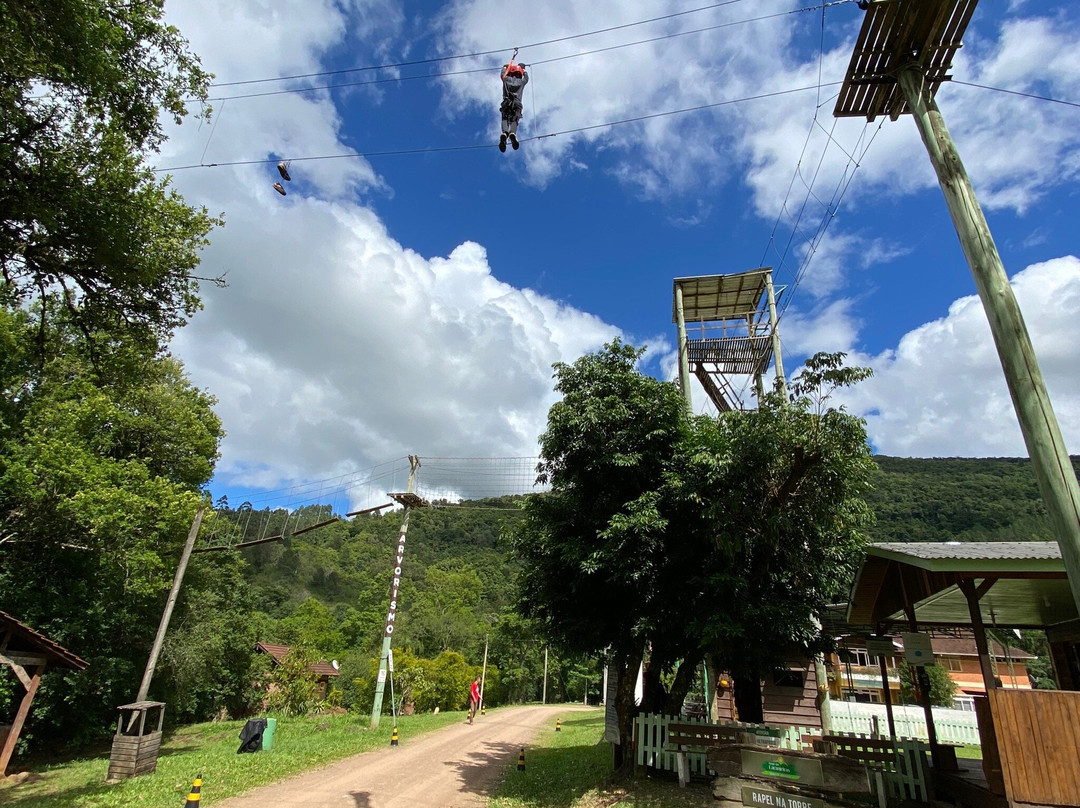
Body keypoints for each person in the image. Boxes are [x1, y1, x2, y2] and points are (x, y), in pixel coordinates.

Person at [499, 61, 528, 153]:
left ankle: (505, 133)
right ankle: (512, 133)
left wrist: (504, 67)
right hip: (517, 103)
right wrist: (523, 70)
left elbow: (502, 75)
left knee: (505, 117)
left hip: (506, 101)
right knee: (515, 118)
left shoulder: (506, 79)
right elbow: (526, 78)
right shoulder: (521, 82)